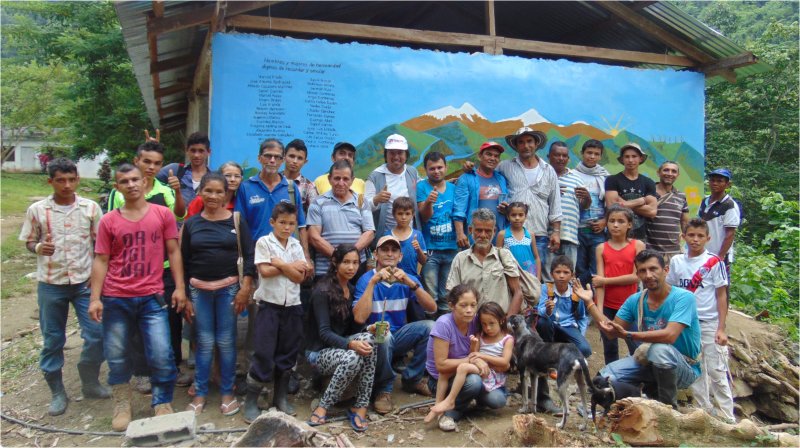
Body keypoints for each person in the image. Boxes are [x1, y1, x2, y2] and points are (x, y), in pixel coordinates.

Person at [88, 164, 192, 431]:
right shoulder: (109, 221)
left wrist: (179, 287)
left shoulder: (162, 214)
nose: (131, 185)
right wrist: (95, 298)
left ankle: (162, 401)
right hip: (115, 297)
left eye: (135, 179)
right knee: (117, 354)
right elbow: (101, 259)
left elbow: (174, 251)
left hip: (152, 296)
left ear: (144, 182)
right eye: (124, 181)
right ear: (117, 187)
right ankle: (122, 403)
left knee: (161, 352)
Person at [19, 158, 108, 416]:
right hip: (51, 283)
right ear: (51, 181)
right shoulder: (37, 210)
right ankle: (57, 391)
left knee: (97, 334)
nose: (67, 185)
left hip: (84, 283)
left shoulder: (90, 208)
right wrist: (38, 247)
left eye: (71, 179)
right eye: (60, 180)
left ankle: (89, 380)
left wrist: (98, 279)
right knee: (53, 339)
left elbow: (101, 245)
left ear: (77, 179)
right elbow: (29, 241)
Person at [108, 141, 189, 390]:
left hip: (163, 267)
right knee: (135, 323)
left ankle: (172, 366)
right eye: (147, 162)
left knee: (171, 319)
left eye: (157, 163)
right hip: (132, 270)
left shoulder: (165, 190)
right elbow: (112, 231)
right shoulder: (119, 193)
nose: (151, 167)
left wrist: (177, 192)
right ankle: (142, 371)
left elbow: (179, 216)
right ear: (137, 161)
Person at [180, 173, 256, 416]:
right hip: (199, 292)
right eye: (208, 191)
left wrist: (245, 288)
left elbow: (250, 256)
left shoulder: (236, 220)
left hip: (228, 291)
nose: (213, 196)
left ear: (226, 194)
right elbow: (183, 261)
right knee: (203, 343)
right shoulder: (191, 224)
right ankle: (200, 393)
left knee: (226, 341)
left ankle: (227, 392)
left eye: (219, 192)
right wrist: (185, 296)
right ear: (200, 192)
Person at [592, 250, 702, 410]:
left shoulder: (684, 298)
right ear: (638, 275)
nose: (648, 275)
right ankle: (639, 404)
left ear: (665, 270)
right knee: (603, 379)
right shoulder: (635, 300)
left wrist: (629, 334)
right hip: (648, 362)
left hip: (684, 367)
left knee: (659, 350)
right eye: (643, 271)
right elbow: (610, 331)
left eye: (653, 269)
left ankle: (668, 410)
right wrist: (589, 303)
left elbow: (670, 336)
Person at [353, 235, 437, 414]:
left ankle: (413, 379)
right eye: (384, 250)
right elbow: (359, 318)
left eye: (394, 250)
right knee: (383, 334)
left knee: (430, 327)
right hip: (373, 338)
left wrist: (411, 284)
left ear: (400, 256)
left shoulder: (407, 278)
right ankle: (383, 389)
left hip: (398, 336)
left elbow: (432, 308)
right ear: (376, 254)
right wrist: (373, 283)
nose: (390, 254)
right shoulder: (366, 279)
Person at [244, 202, 310, 422]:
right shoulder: (264, 242)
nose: (286, 227)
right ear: (272, 222)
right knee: (263, 352)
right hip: (269, 306)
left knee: (288, 352)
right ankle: (251, 401)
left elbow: (299, 277)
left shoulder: (296, 245)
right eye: (282, 223)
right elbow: (264, 270)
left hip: (292, 306)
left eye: (291, 223)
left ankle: (280, 398)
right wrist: (290, 266)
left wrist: (280, 264)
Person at [667, 218, 734, 422]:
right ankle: (703, 412)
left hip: (709, 322)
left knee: (717, 370)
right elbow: (671, 290)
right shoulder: (677, 261)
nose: (695, 240)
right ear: (683, 237)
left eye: (700, 236)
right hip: (686, 324)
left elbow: (721, 295)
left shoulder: (714, 262)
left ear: (708, 238)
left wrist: (721, 328)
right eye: (691, 235)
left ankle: (728, 416)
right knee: (695, 369)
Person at [306, 245, 377, 432]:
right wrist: (350, 344)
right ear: (335, 262)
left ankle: (360, 406)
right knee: (353, 356)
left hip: (339, 347)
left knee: (370, 339)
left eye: (355, 262)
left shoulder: (351, 289)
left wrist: (368, 328)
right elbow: (324, 332)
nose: (351, 267)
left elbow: (351, 327)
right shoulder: (322, 290)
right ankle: (323, 407)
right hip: (318, 352)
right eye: (346, 262)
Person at [425, 285, 508, 432]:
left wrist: (485, 359)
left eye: (473, 305)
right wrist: (473, 359)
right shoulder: (444, 324)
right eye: (463, 305)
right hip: (442, 379)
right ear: (452, 306)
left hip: (468, 371)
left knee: (498, 400)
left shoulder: (476, 321)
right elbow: (441, 366)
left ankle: (465, 399)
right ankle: (449, 413)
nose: (469, 310)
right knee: (474, 382)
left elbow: (494, 346)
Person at [500, 127, 563, 269]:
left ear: (536, 144)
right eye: (521, 142)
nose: (526, 146)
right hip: (512, 235)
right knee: (511, 273)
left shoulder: (548, 170)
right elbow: (487, 176)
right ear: (516, 146)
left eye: (529, 141)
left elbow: (555, 203)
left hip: (539, 234)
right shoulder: (505, 167)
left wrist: (556, 232)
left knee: (535, 275)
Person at [593, 205, 645, 364]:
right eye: (612, 221)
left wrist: (605, 281)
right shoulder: (601, 248)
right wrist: (599, 311)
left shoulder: (637, 245)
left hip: (631, 306)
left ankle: (639, 376)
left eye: (621, 221)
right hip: (607, 306)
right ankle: (610, 377)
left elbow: (636, 277)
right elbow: (599, 283)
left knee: (636, 346)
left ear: (629, 224)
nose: (615, 225)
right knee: (609, 348)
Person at [307, 159, 375, 279]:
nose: (341, 183)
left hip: (356, 270)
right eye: (337, 178)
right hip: (326, 270)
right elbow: (314, 237)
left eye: (346, 179)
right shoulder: (318, 203)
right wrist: (339, 258)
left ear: (352, 180)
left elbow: (369, 233)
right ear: (329, 179)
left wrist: (350, 257)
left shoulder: (362, 201)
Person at [447, 208, 523, 314]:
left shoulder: (504, 255)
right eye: (479, 230)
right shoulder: (460, 258)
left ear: (494, 232)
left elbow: (518, 293)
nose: (483, 235)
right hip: (470, 321)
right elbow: (452, 295)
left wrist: (507, 321)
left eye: (488, 231)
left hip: (501, 321)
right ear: (470, 230)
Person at [417, 151, 458, 315]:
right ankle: (430, 328)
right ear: (425, 170)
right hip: (431, 250)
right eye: (432, 168)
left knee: (447, 296)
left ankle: (445, 328)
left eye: (440, 167)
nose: (436, 171)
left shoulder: (454, 188)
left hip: (452, 248)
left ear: (446, 167)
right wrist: (429, 202)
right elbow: (424, 217)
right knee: (430, 295)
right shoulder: (421, 187)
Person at [364, 134, 422, 245]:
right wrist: (376, 199)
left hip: (410, 238)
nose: (396, 157)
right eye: (392, 153)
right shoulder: (375, 176)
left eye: (400, 153)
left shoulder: (412, 172)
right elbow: (364, 206)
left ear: (406, 155)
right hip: (385, 239)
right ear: (386, 154)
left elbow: (424, 187)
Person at [546, 141, 590, 279]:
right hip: (548, 236)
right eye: (557, 155)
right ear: (549, 156)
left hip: (570, 236)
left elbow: (584, 206)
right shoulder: (543, 176)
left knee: (568, 277)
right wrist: (551, 192)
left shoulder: (576, 179)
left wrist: (587, 198)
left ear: (568, 158)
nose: (561, 158)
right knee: (549, 277)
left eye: (564, 156)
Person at [453, 141, 509, 247]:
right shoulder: (466, 178)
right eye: (489, 154)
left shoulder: (501, 179)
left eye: (496, 156)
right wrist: (460, 233)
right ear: (480, 156)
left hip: (498, 237)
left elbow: (506, 204)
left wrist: (507, 209)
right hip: (475, 236)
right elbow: (459, 210)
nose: (492, 158)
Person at [535, 255, 592, 358]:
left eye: (566, 272)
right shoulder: (546, 288)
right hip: (551, 325)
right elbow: (539, 310)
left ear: (572, 275)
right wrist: (548, 311)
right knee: (542, 322)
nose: (561, 276)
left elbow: (582, 317)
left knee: (585, 349)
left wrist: (581, 336)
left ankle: (562, 353)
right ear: (551, 274)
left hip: (568, 326)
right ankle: (548, 350)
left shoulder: (576, 292)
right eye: (558, 272)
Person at [572, 139, 610, 285]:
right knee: (579, 268)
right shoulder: (572, 175)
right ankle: (581, 297)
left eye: (596, 154)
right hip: (577, 230)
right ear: (582, 153)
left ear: (600, 156)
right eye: (589, 153)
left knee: (597, 268)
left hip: (598, 231)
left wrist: (604, 221)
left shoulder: (605, 177)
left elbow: (611, 203)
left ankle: (595, 297)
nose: (592, 156)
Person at [604, 142, 657, 241]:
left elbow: (652, 211)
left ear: (640, 158)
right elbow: (611, 207)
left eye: (634, 156)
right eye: (627, 157)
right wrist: (640, 201)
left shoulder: (648, 182)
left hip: (640, 237)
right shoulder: (612, 180)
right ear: (622, 159)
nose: (630, 160)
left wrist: (623, 203)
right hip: (615, 237)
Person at [698, 168, 740, 283]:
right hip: (703, 254)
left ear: (727, 184)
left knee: (720, 286)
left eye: (719, 181)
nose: (715, 183)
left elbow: (730, 233)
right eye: (712, 180)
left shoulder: (729, 205)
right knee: (702, 285)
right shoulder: (704, 201)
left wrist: (720, 257)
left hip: (719, 256)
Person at [647, 161, 689, 263]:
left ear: (677, 175)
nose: (670, 174)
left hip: (673, 252)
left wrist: (688, 242)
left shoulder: (681, 196)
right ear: (658, 172)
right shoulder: (648, 192)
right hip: (650, 250)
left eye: (673, 171)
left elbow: (684, 222)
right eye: (666, 170)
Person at [158, 132, 212, 204]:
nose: (196, 155)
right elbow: (148, 178)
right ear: (187, 150)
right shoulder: (175, 170)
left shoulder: (214, 179)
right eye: (193, 150)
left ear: (209, 152)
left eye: (201, 151)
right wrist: (152, 151)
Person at [496, 202, 542, 281]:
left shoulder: (530, 235)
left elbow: (536, 258)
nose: (517, 218)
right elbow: (497, 257)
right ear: (508, 217)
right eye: (513, 215)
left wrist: (538, 277)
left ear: (525, 216)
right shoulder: (502, 234)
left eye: (520, 215)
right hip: (510, 276)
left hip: (530, 276)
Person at [386, 197, 427, 279]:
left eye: (407, 214)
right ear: (394, 214)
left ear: (413, 214)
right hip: (391, 280)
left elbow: (424, 262)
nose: (404, 217)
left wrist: (418, 249)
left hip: (412, 279)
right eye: (400, 213)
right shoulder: (388, 236)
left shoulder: (417, 235)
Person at [281, 138, 316, 213]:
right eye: (291, 156)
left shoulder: (309, 186)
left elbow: (314, 214)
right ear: (284, 157)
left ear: (305, 162)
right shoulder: (273, 180)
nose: (295, 161)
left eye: (300, 158)